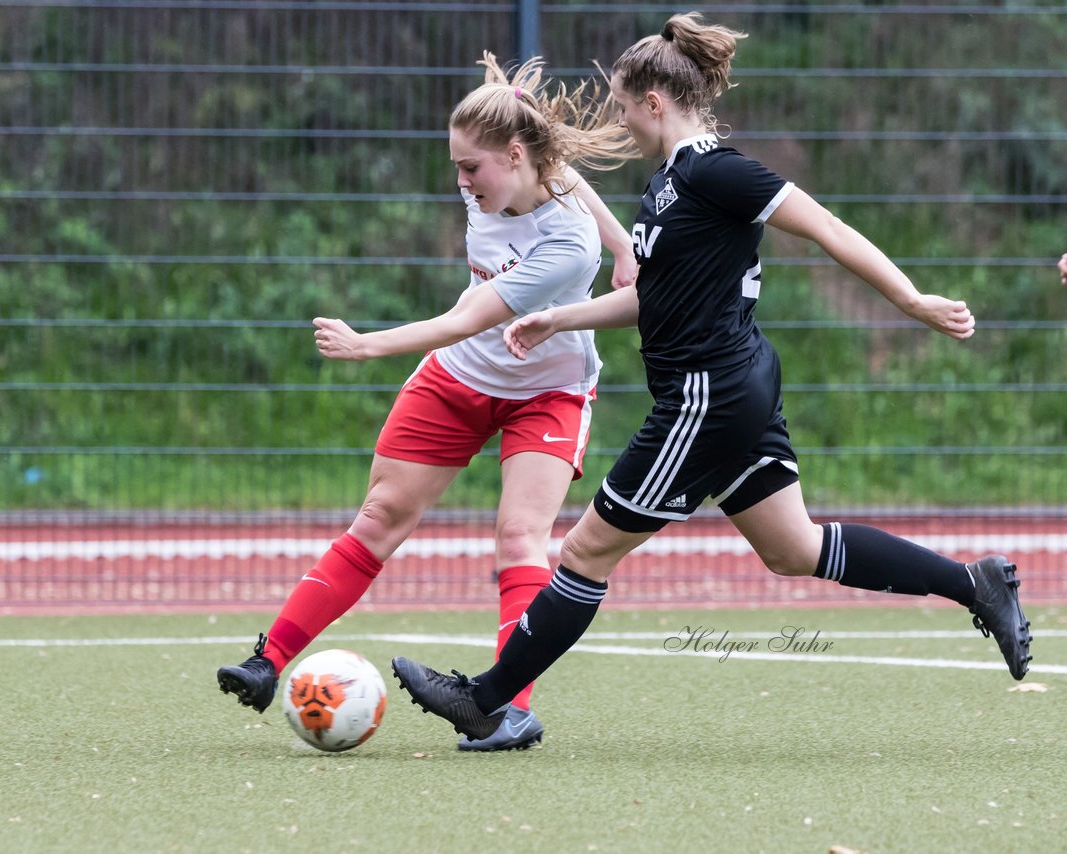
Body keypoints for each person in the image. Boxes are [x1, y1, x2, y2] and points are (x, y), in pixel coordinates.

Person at [390, 13, 1034, 742]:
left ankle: (485, 698)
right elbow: (656, 297)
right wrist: (558, 319)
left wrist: (911, 299)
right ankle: (973, 583)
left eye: (627, 110)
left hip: (709, 391)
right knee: (794, 548)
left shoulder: (715, 170)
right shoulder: (669, 185)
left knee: (584, 551)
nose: (625, 126)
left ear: (655, 103)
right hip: (732, 383)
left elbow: (828, 228)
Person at [217, 52, 639, 751]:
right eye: (455, 167)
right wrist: (626, 242)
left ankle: (506, 709)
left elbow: (464, 319)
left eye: (472, 168)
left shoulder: (565, 244)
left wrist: (367, 345)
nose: (462, 183)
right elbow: (565, 172)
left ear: (511, 155)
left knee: (518, 538)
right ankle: (268, 662)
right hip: (459, 379)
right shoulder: (522, 172)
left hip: (547, 391)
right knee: (380, 515)